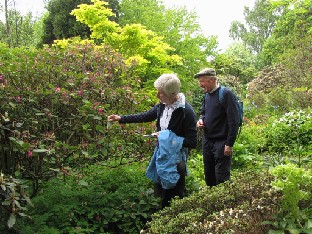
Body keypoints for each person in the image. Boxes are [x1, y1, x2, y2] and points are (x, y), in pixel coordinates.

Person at [108, 74, 197, 208]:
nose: (157, 96)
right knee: (160, 190)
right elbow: (146, 116)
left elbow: (192, 142)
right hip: (162, 154)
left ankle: (176, 220)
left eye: (161, 93)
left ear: (173, 93)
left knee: (175, 193)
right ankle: (160, 218)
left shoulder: (187, 112)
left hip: (176, 159)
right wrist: (121, 118)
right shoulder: (162, 105)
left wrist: (166, 138)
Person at [194, 68, 240, 187]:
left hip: (222, 142)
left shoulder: (226, 94)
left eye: (202, 81)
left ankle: (225, 204)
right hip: (207, 141)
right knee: (209, 175)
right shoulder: (206, 96)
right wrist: (200, 121)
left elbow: (233, 121)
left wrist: (229, 143)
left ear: (212, 80)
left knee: (222, 177)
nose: (200, 85)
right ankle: (212, 203)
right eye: (200, 82)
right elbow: (203, 113)